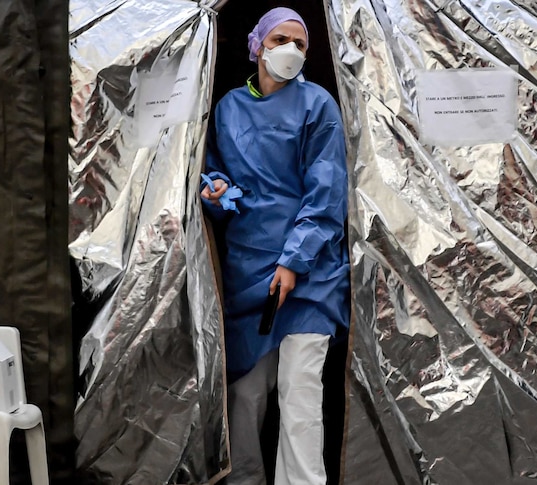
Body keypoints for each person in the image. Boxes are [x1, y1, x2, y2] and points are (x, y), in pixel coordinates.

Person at [200, 7, 350, 485]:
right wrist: (218, 191)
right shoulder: (227, 109)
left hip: (308, 278)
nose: (290, 49)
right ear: (257, 44)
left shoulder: (318, 105)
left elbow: (326, 191)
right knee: (244, 398)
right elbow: (219, 178)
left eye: (300, 44)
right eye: (281, 38)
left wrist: (293, 260)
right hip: (249, 274)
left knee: (300, 396)